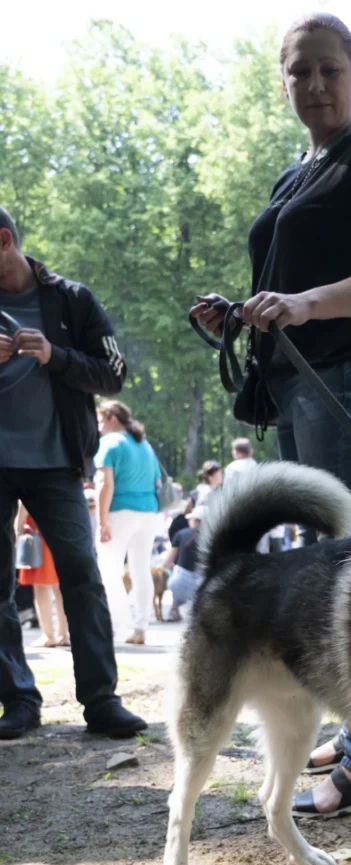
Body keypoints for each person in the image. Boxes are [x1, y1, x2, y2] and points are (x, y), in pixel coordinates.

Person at [191, 13, 351, 818]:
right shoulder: (300, 169)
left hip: (347, 378)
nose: (315, 86)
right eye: (300, 73)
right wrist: (246, 314)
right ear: (283, 80)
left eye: (329, 70)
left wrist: (304, 304)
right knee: (332, 564)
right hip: (298, 380)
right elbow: (293, 278)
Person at [0, 206, 147, 739]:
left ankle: (101, 701)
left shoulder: (70, 299)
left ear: (4, 241)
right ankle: (17, 700)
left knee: (82, 576)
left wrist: (54, 355)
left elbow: (115, 373)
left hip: (56, 464)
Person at [94, 401, 162, 646]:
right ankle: (140, 627)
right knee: (140, 570)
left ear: (112, 418)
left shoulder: (109, 444)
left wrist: (102, 521)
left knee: (109, 571)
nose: (99, 427)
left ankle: (119, 626)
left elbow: (105, 484)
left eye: (101, 421)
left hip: (119, 512)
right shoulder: (145, 445)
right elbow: (157, 483)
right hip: (148, 513)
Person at [16, 505, 68, 647]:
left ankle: (48, 635)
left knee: (41, 587)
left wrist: (16, 530)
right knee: (59, 587)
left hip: (38, 535)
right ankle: (63, 634)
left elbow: (24, 506)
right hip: (60, 531)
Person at [165, 505, 204, 621]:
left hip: (179, 583)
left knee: (178, 573)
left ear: (195, 520)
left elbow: (167, 562)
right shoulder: (212, 537)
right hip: (202, 585)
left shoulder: (181, 534)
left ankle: (174, 608)